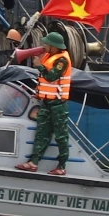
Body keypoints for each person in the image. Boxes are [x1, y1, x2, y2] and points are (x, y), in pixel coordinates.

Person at [15, 32, 72, 176]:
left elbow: (51, 76)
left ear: (53, 47)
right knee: (41, 133)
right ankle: (34, 163)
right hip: (46, 103)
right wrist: (39, 93)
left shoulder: (62, 60)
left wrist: (39, 66)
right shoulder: (49, 56)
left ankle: (62, 166)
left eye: (47, 44)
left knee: (61, 135)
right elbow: (44, 80)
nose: (44, 46)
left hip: (58, 105)